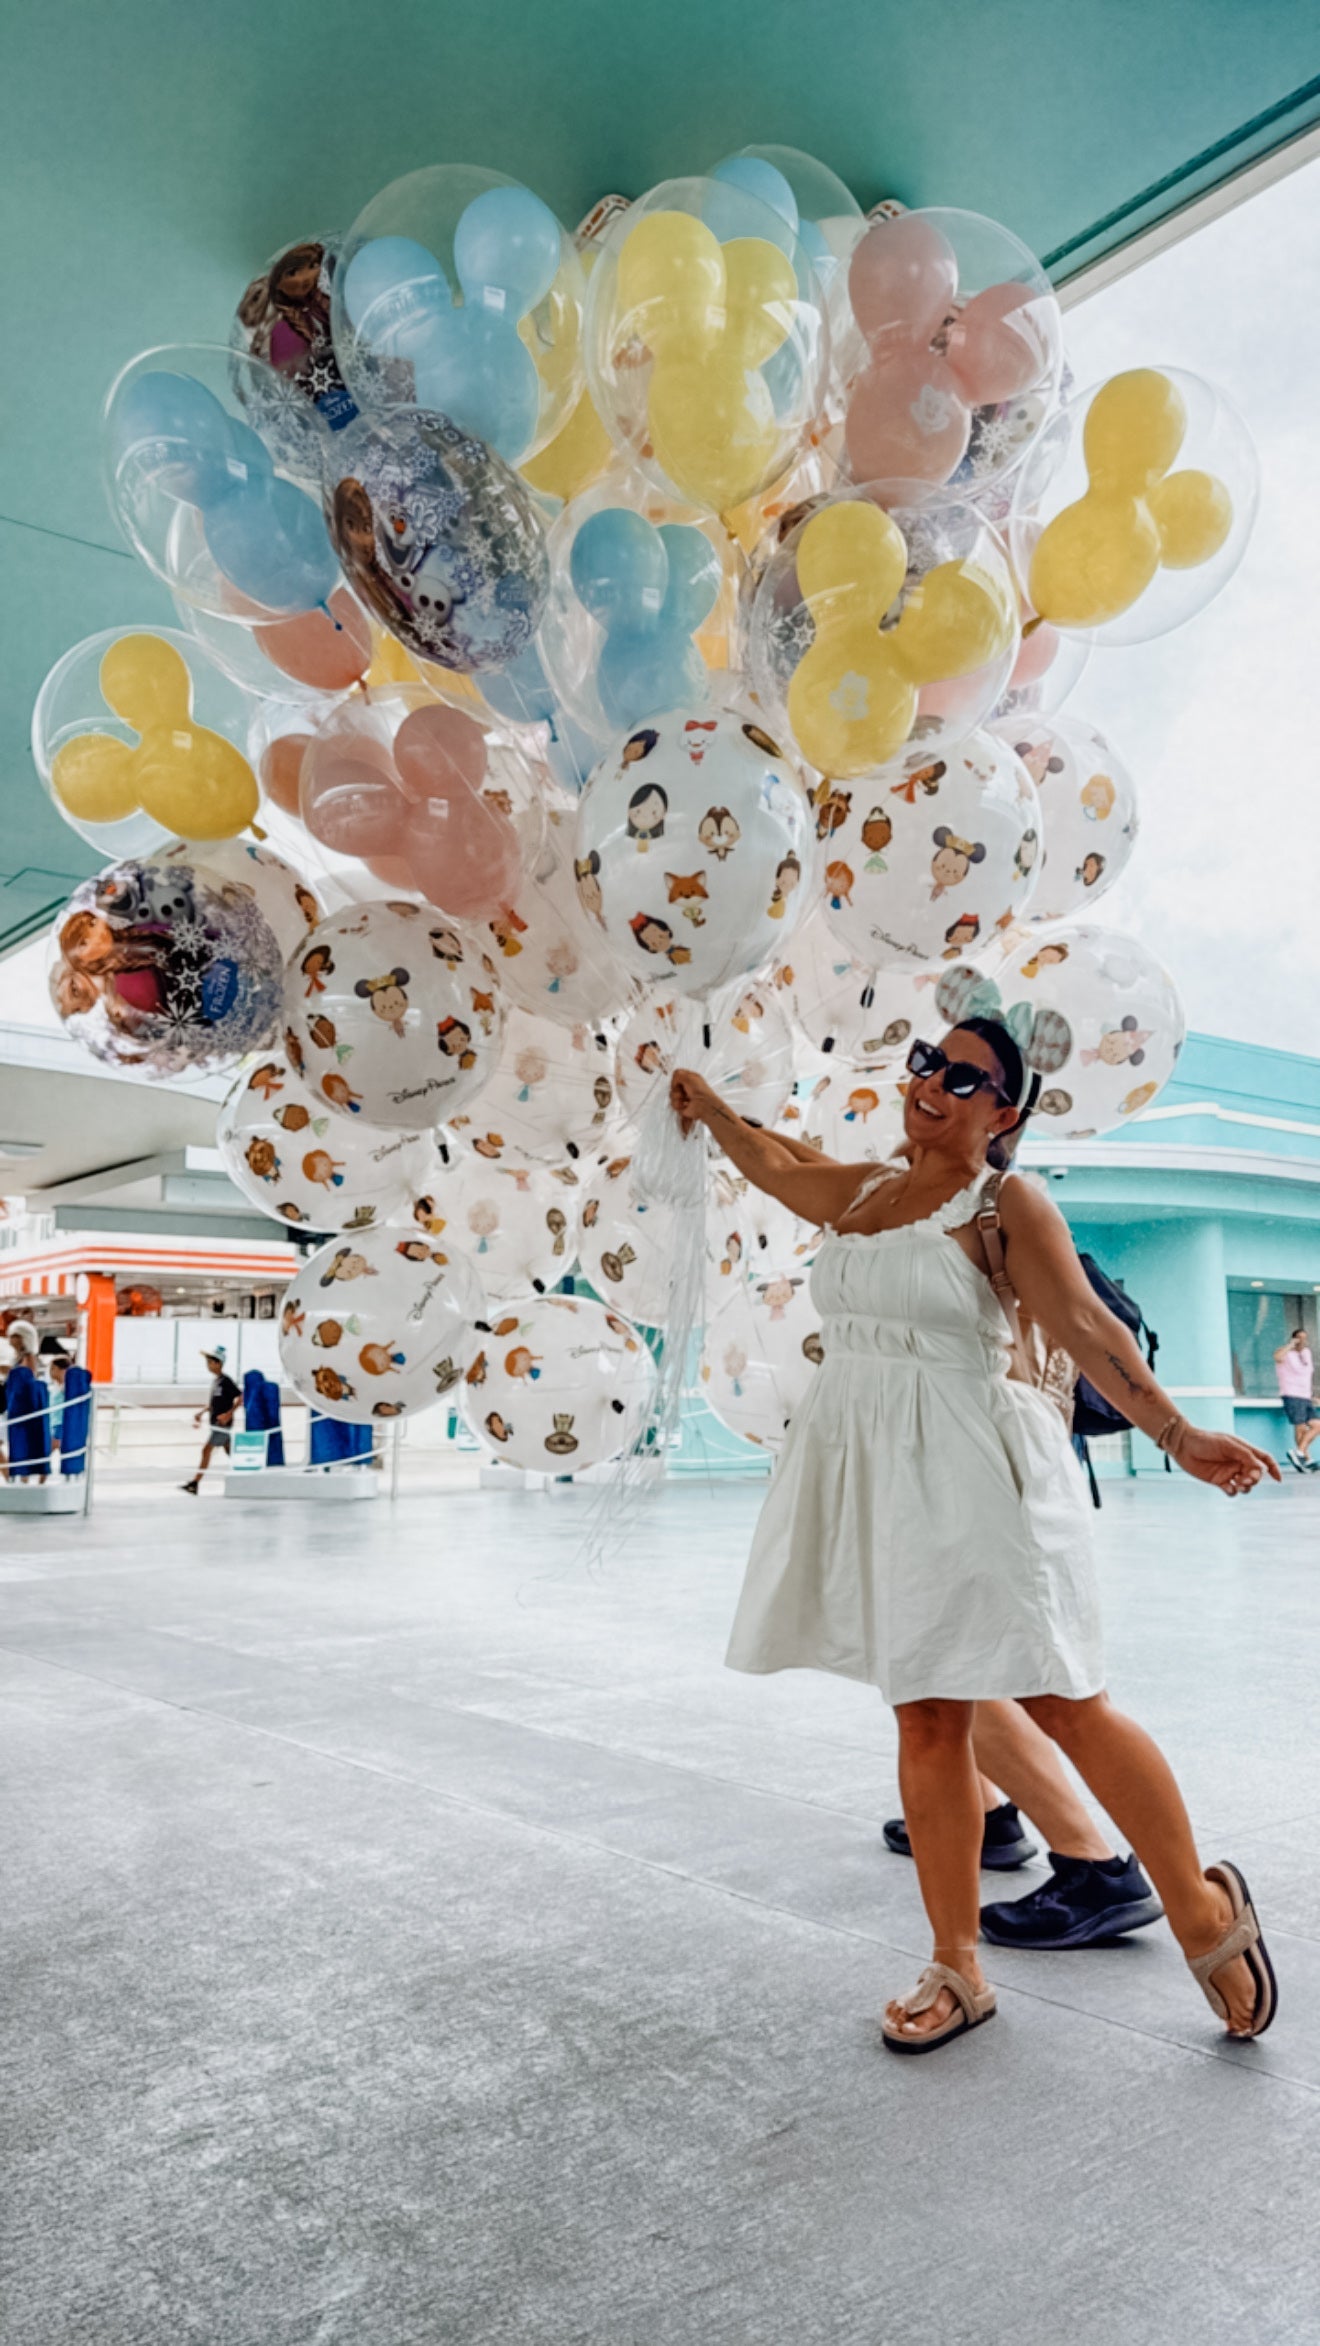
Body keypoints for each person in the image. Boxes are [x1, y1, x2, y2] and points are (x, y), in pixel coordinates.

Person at [671, 1018, 1281, 2055]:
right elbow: (780, 1166)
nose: (931, 1084)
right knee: (925, 1717)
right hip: (877, 1473)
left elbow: (1086, 1325)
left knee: (1062, 1701)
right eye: (925, 1062)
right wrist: (711, 1109)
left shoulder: (1004, 1203)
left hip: (975, 1472)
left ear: (1004, 1112)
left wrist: (1177, 1434)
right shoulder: (866, 1192)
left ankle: (1197, 1905)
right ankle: (957, 1965)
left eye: (963, 1078)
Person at [181, 1346, 240, 1495]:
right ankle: (246, 1472)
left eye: (210, 1362)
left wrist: (228, 1414)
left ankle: (195, 1483)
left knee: (206, 1450)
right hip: (215, 1424)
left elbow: (240, 1397)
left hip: (222, 1425)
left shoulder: (226, 1381)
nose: (208, 1365)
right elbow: (214, 1403)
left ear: (218, 1363)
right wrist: (201, 1412)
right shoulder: (216, 1382)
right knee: (231, 1451)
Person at [2, 1322, 51, 1483]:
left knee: (23, 1443)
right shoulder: (18, 1357)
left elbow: (27, 1378)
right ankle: (14, 1476)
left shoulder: (28, 1357)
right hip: (14, 1405)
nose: (11, 1340)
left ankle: (19, 1477)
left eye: (14, 1336)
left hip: (22, 1407)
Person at [1273, 1327, 1318, 1473]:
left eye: (1305, 1339)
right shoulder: (1285, 1352)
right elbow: (1277, 1357)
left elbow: (1306, 1376)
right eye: (1300, 1338)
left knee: (1317, 1425)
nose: (1302, 1342)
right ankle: (1306, 1459)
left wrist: (1312, 1395)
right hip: (1292, 1395)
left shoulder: (1307, 1353)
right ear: (1294, 1338)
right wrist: (1291, 1344)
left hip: (1305, 1396)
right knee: (1300, 1428)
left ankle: (1299, 1452)